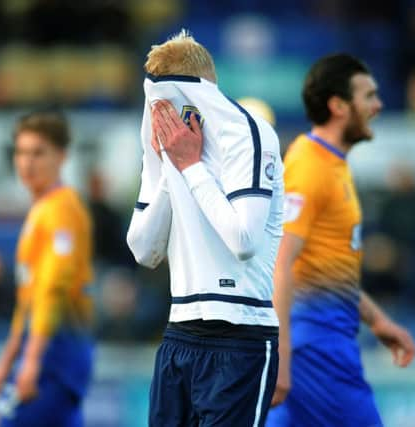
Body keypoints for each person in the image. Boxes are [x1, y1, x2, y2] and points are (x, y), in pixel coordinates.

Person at [127, 30, 283, 427]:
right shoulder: (168, 146)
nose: (162, 114)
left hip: (240, 334)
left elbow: (244, 240)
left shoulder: (250, 134)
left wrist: (192, 166)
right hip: (180, 331)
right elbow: (144, 251)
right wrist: (170, 167)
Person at [266, 54, 415, 427]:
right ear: (338, 105)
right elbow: (281, 259)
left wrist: (378, 320)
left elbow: (327, 267)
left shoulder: (331, 164)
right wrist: (282, 353)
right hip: (317, 351)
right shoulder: (311, 167)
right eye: (368, 96)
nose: (378, 106)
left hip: (318, 344)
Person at [0, 111, 95, 427]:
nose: (27, 163)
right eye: (21, 152)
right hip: (47, 350)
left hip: (56, 352)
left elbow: (52, 290)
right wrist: (6, 364)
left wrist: (30, 361)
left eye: (37, 153)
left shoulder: (62, 209)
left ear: (61, 156)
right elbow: (28, 302)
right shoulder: (42, 210)